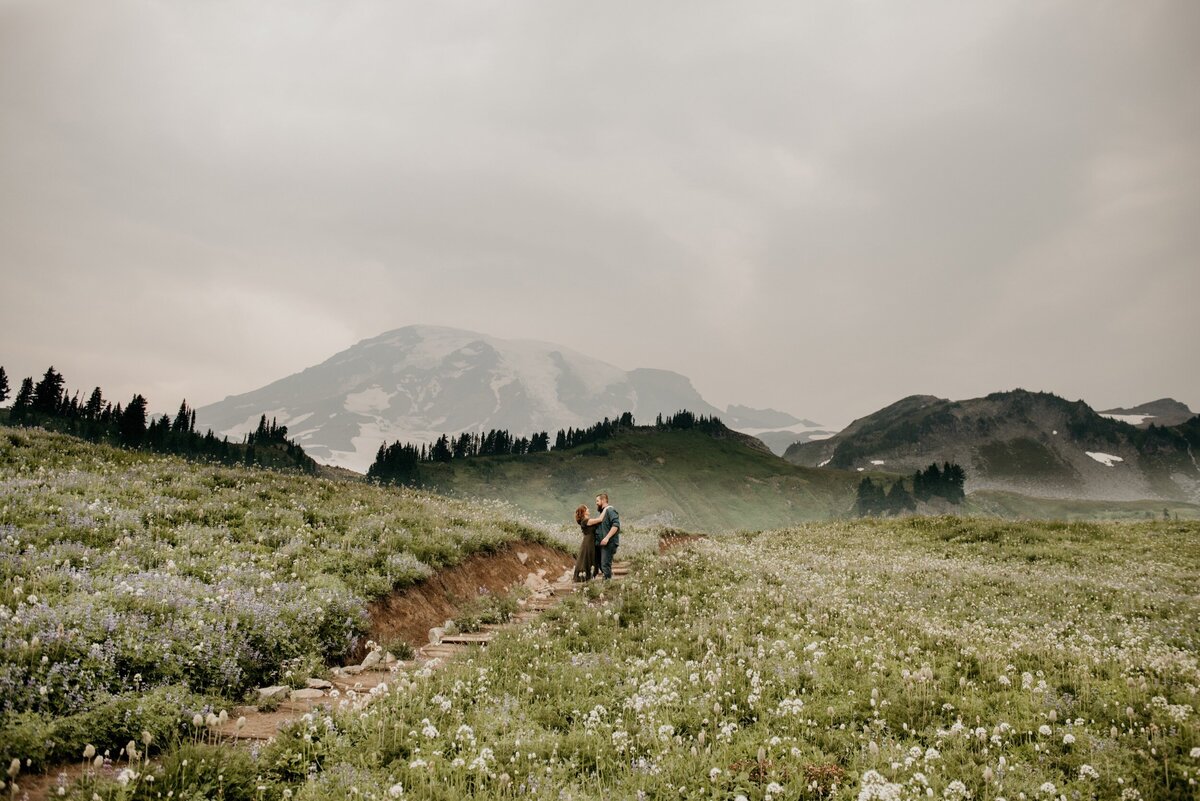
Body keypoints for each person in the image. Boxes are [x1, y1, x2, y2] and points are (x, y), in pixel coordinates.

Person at [586, 492, 620, 580]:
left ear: (603, 500)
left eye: (597, 501)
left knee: (605, 564)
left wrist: (607, 538)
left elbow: (616, 525)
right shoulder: (602, 513)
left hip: (609, 543)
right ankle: (606, 582)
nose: (596, 503)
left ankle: (608, 585)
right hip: (601, 544)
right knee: (601, 565)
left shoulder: (610, 510)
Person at [572, 504, 599, 581]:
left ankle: (588, 576)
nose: (588, 509)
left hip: (590, 541)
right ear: (584, 512)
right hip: (589, 542)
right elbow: (600, 519)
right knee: (587, 558)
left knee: (588, 558)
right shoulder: (585, 521)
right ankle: (585, 577)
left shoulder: (586, 521)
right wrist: (607, 510)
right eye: (587, 509)